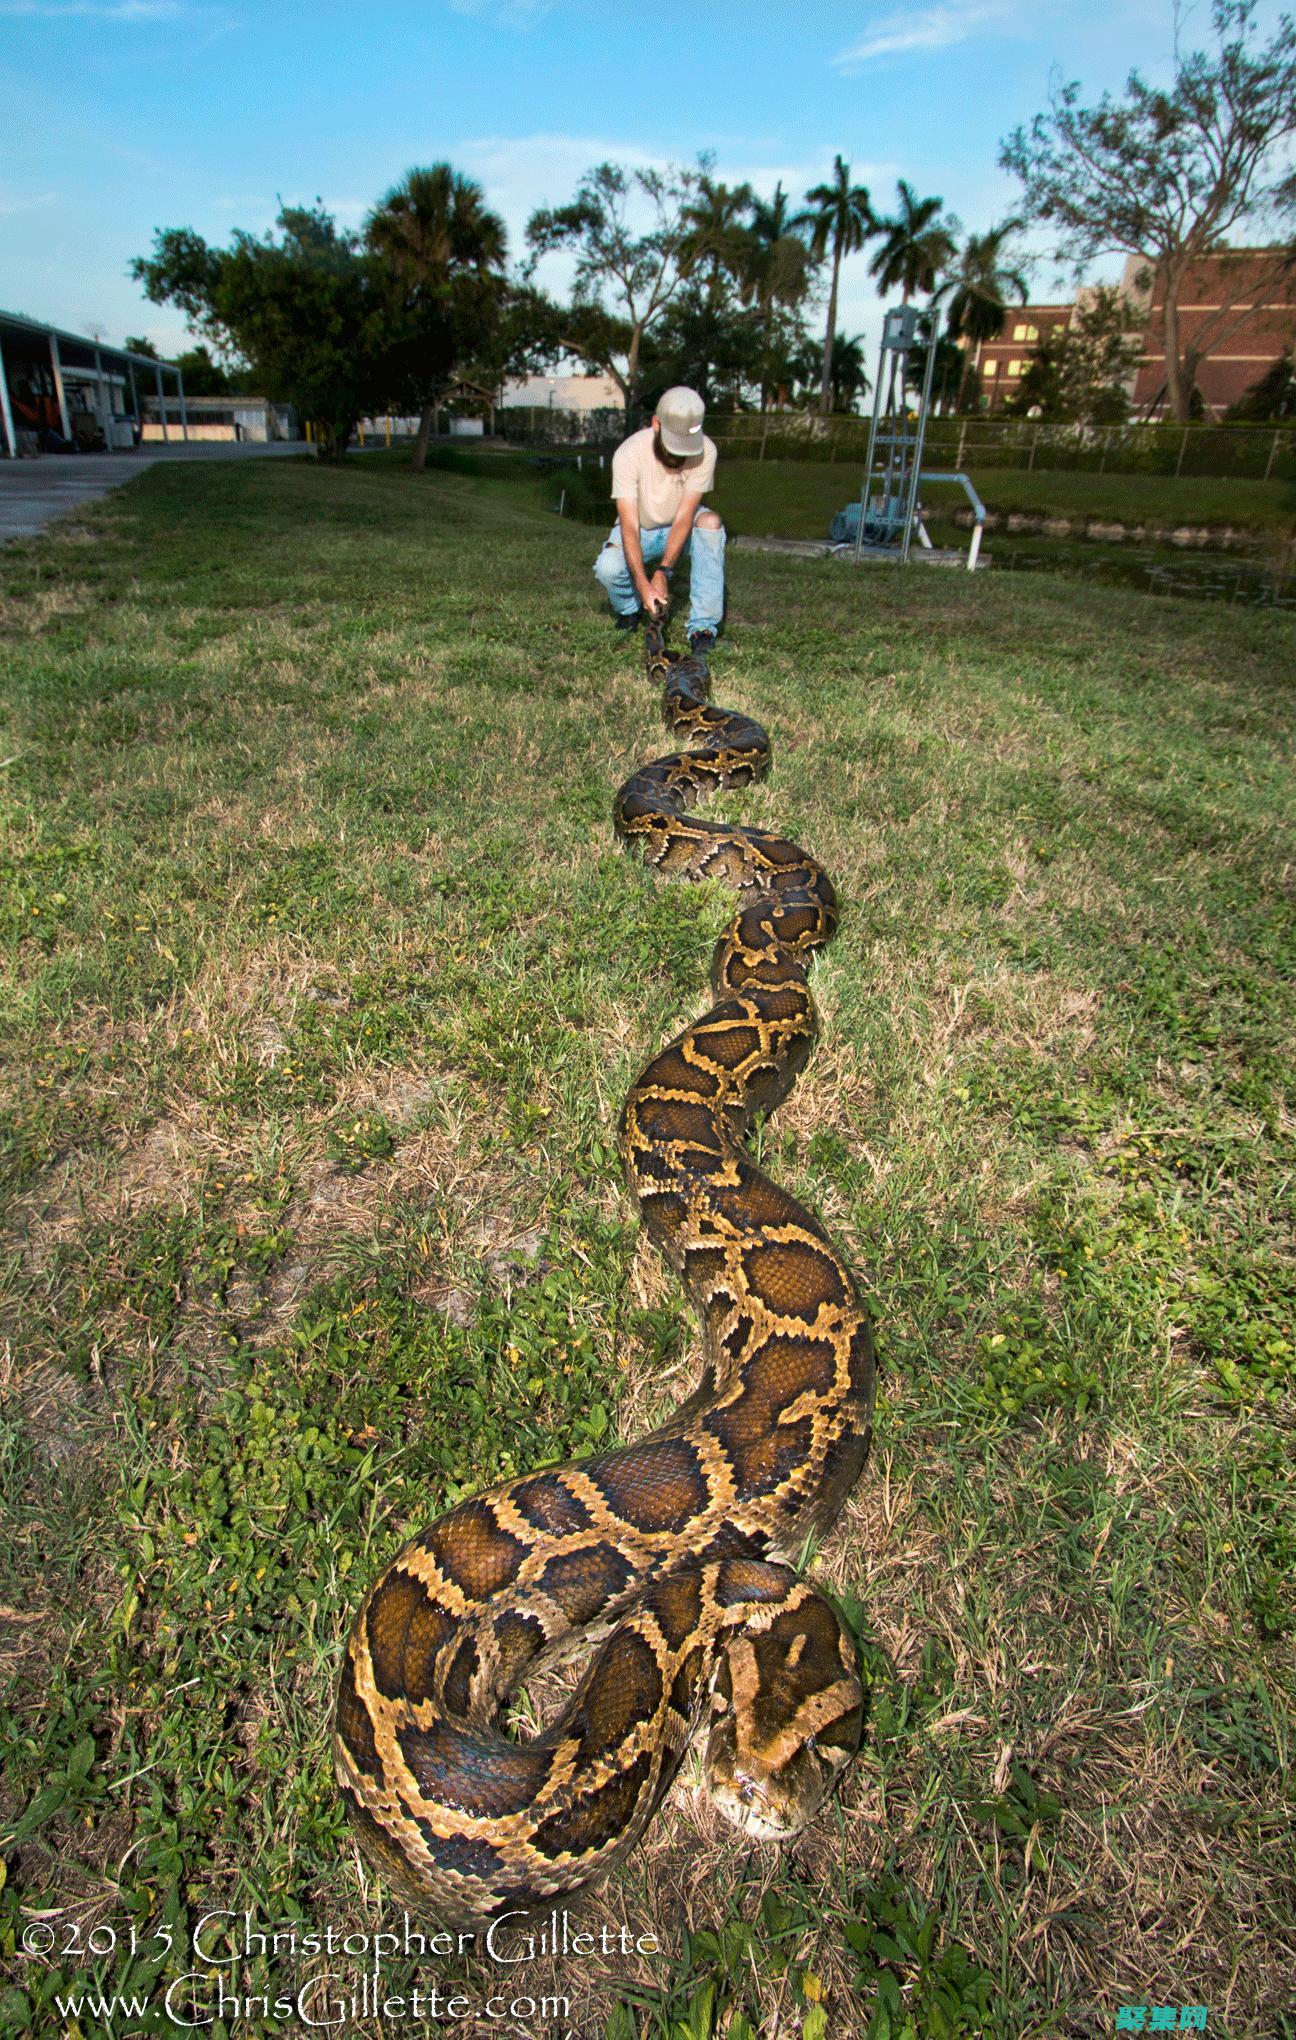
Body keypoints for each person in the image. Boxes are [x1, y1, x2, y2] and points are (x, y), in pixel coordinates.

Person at [594, 386, 725, 656]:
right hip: (641, 527)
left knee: (710, 522)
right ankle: (630, 611)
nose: (679, 457)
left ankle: (703, 627)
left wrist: (663, 572)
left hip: (681, 525)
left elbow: (685, 516)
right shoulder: (628, 454)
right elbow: (628, 525)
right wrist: (643, 583)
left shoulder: (706, 451)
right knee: (607, 567)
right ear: (656, 424)